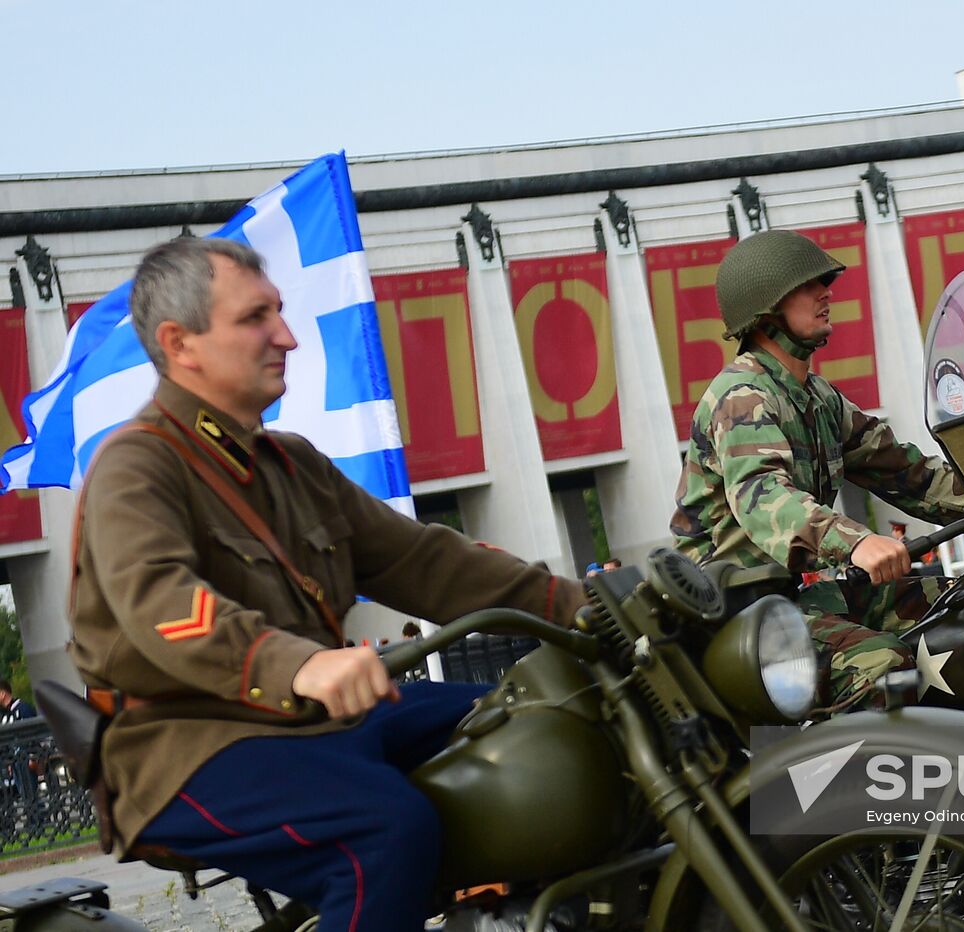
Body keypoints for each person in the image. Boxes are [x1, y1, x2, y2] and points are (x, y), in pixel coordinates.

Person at [67, 238, 585, 932]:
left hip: (314, 724)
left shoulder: (292, 465)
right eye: (256, 318)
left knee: (549, 720)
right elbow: (160, 603)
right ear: (180, 343)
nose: (286, 336)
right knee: (383, 832)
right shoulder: (137, 465)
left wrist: (587, 608)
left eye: (279, 313)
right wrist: (299, 664)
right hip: (184, 746)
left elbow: (428, 561)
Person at [672, 230, 964, 708]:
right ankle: (870, 782)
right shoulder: (742, 397)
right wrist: (857, 542)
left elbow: (910, 474)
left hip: (798, 602)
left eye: (823, 283)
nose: (825, 294)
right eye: (807, 286)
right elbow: (765, 498)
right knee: (881, 667)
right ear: (765, 310)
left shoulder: (818, 399)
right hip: (743, 619)